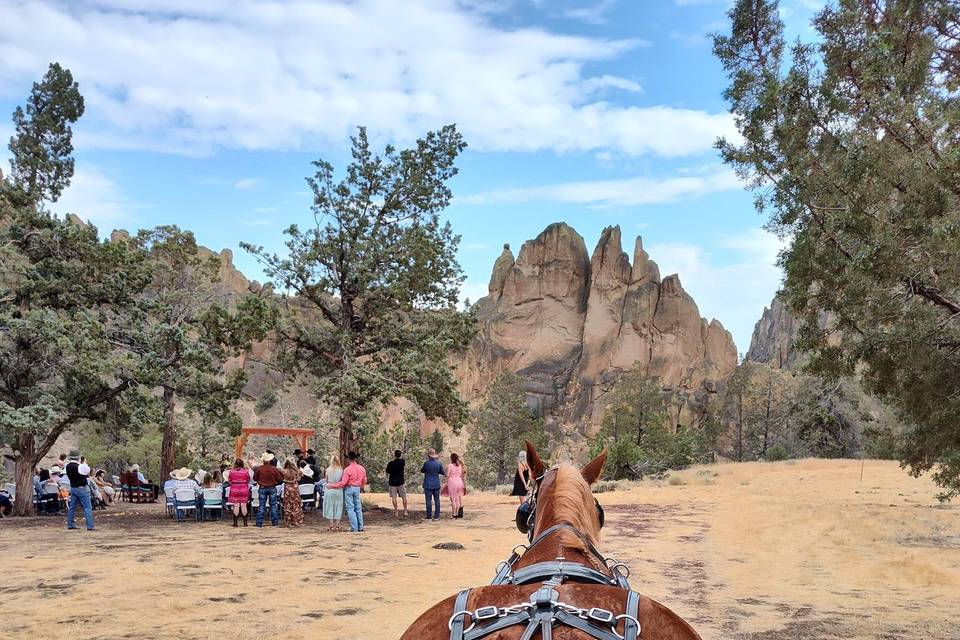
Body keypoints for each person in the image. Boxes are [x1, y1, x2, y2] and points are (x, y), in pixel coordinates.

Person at [326, 451, 367, 532]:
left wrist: (331, 485)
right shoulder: (362, 468)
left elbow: (343, 483)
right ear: (355, 459)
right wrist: (361, 486)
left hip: (349, 488)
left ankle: (354, 528)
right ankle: (360, 526)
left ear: (348, 459)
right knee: (358, 507)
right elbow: (364, 479)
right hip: (357, 488)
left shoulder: (347, 470)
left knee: (350, 508)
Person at [64, 451, 95, 531]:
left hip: (73, 487)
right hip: (82, 488)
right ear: (78, 457)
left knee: (72, 507)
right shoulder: (80, 466)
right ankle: (90, 525)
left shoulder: (68, 466)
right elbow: (87, 471)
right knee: (87, 507)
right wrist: (84, 463)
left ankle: (70, 524)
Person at [253, 452, 284, 527]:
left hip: (262, 488)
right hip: (272, 488)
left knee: (261, 505)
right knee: (273, 505)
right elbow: (280, 478)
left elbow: (255, 478)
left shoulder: (259, 469)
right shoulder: (274, 469)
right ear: (270, 460)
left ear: (263, 460)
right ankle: (275, 522)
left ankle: (259, 523)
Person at [421, 449, 445, 521]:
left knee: (428, 501)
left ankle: (429, 516)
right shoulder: (439, 463)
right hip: (436, 483)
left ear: (428, 456)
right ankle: (437, 516)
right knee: (437, 500)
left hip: (428, 484)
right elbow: (442, 472)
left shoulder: (426, 464)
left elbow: (422, 470)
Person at [227, 458, 252, 527]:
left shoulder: (232, 472)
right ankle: (245, 523)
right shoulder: (246, 471)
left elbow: (229, 480)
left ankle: (235, 523)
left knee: (236, 505)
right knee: (244, 505)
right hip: (244, 489)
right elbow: (248, 479)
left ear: (235, 464)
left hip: (234, 489)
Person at [323, 453, 345, 531]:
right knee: (338, 506)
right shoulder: (341, 470)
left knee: (330, 506)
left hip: (330, 489)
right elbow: (342, 480)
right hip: (338, 490)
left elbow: (326, 480)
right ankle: (337, 525)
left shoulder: (328, 469)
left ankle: (331, 525)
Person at [281, 457, 305, 528]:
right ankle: (296, 521)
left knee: (288, 503)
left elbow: (281, 478)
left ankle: (288, 521)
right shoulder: (297, 471)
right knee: (296, 503)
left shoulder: (283, 471)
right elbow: (300, 477)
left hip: (287, 488)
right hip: (294, 487)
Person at [386, 449, 408, 517]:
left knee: (394, 497)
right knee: (404, 497)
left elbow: (387, 471)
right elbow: (403, 459)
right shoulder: (402, 462)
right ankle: (405, 511)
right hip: (401, 482)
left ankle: (396, 512)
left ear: (394, 455)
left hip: (392, 482)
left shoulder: (391, 463)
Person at [445, 453, 466, 519]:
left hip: (452, 482)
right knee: (457, 499)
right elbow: (460, 474)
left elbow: (448, 475)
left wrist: (445, 481)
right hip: (459, 482)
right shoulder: (459, 465)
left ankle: (453, 514)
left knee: (453, 500)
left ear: (451, 458)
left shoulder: (450, 465)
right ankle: (457, 513)